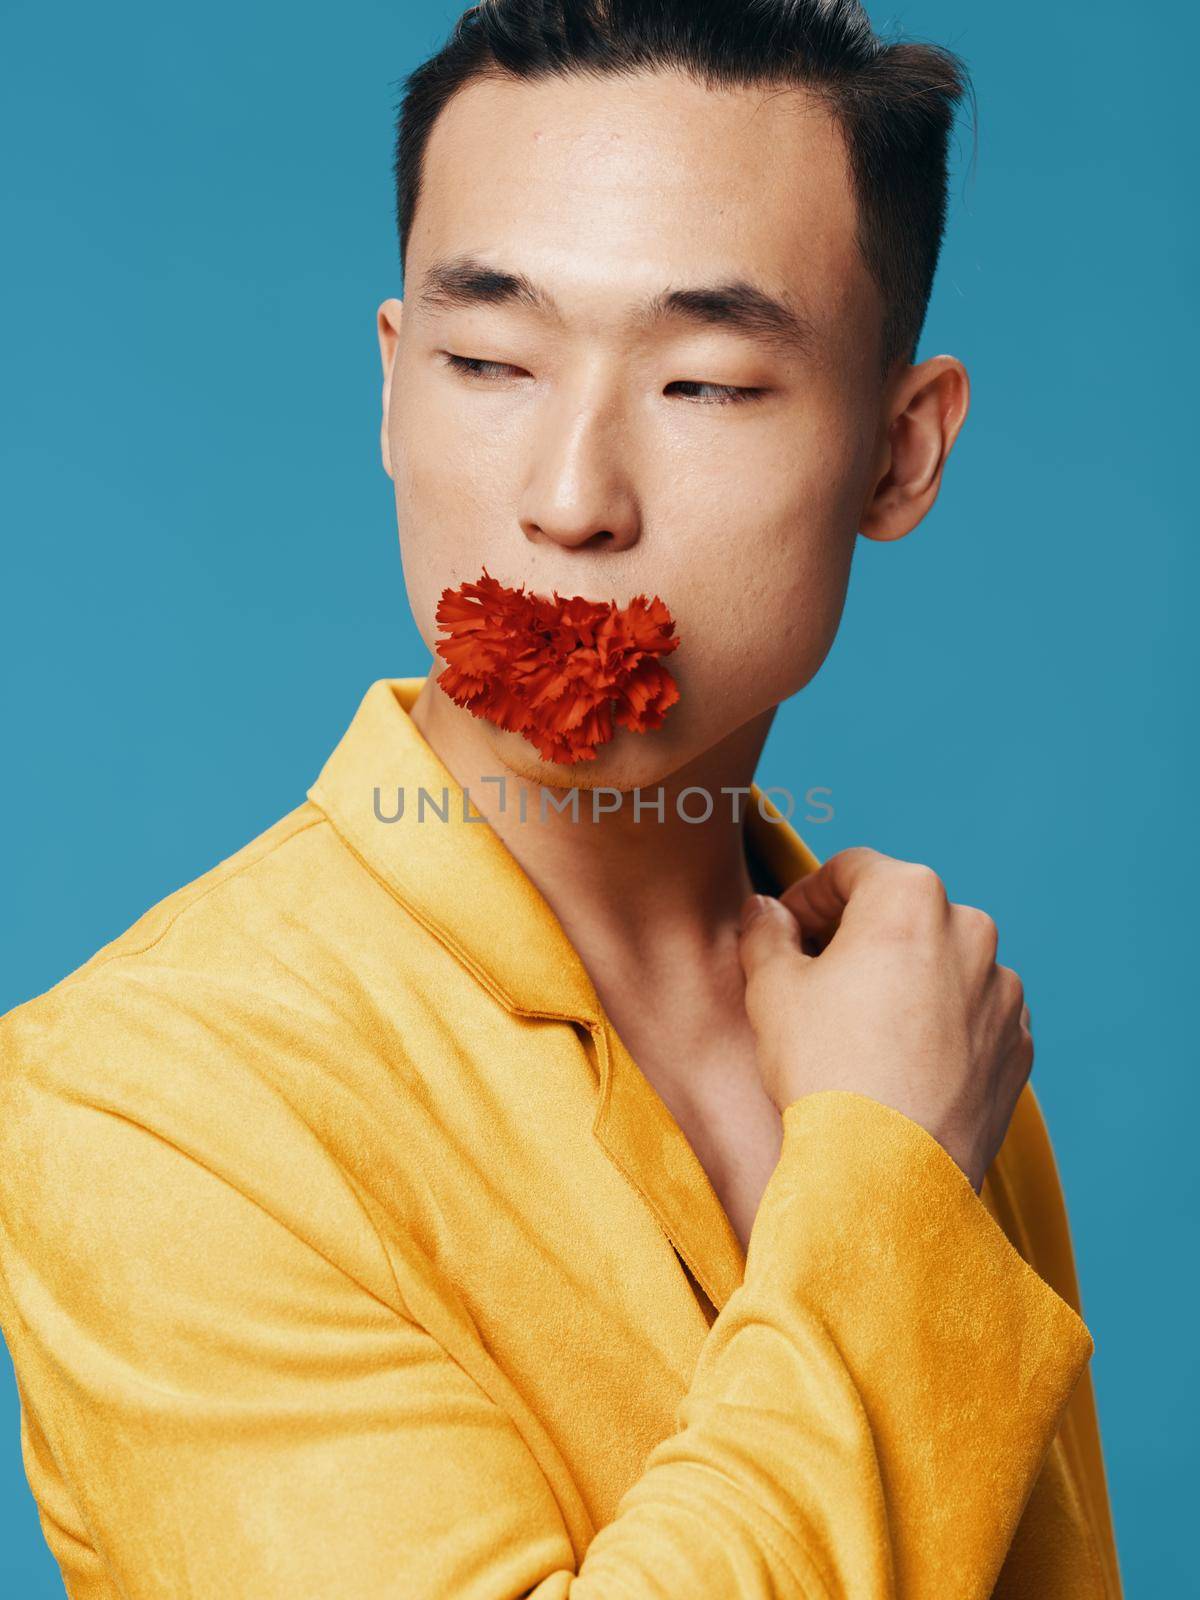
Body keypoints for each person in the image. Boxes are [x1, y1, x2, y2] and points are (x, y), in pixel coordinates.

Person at [0, 2, 1122, 1595]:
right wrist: (884, 1190)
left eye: (709, 385)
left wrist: (903, 1145)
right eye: (487, 361)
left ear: (900, 452)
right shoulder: (153, 1103)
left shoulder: (918, 1034)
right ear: (392, 393)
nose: (569, 502)